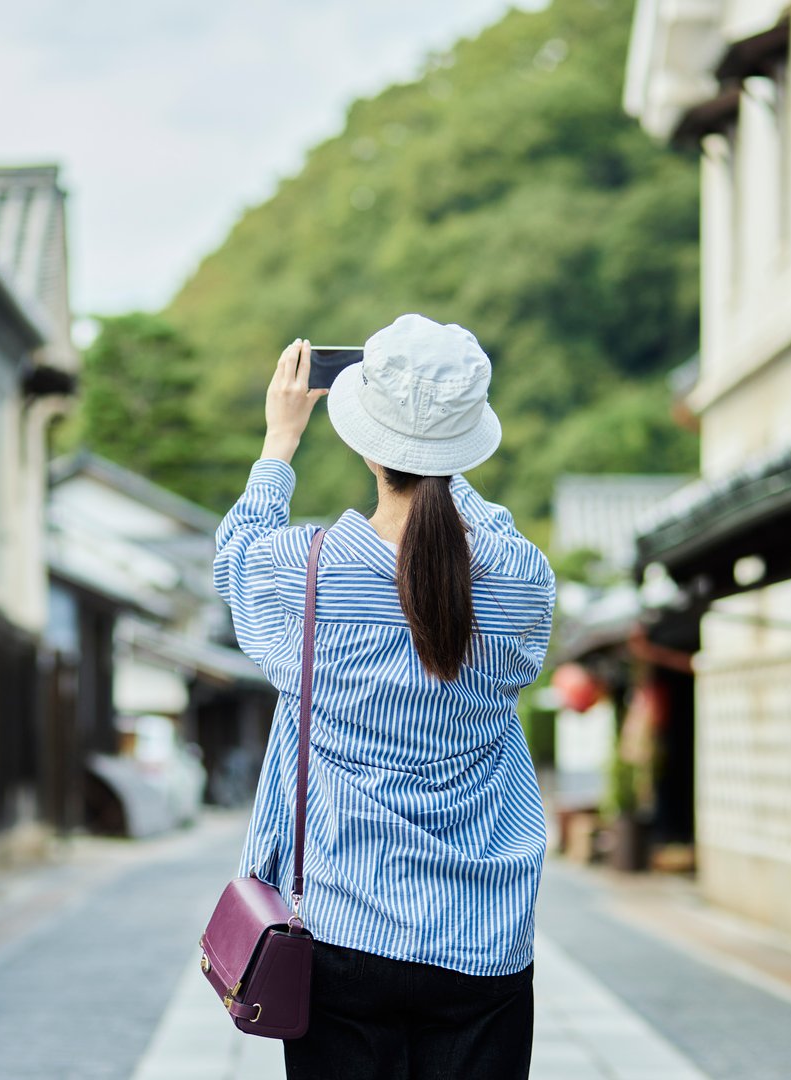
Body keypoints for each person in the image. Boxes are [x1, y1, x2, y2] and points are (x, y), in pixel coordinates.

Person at [212, 314, 555, 1079]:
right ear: (470, 444)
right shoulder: (522, 579)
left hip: (342, 929)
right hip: (483, 935)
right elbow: (480, 534)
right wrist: (435, 437)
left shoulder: (296, 574)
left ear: (363, 443)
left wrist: (278, 444)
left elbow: (234, 560)